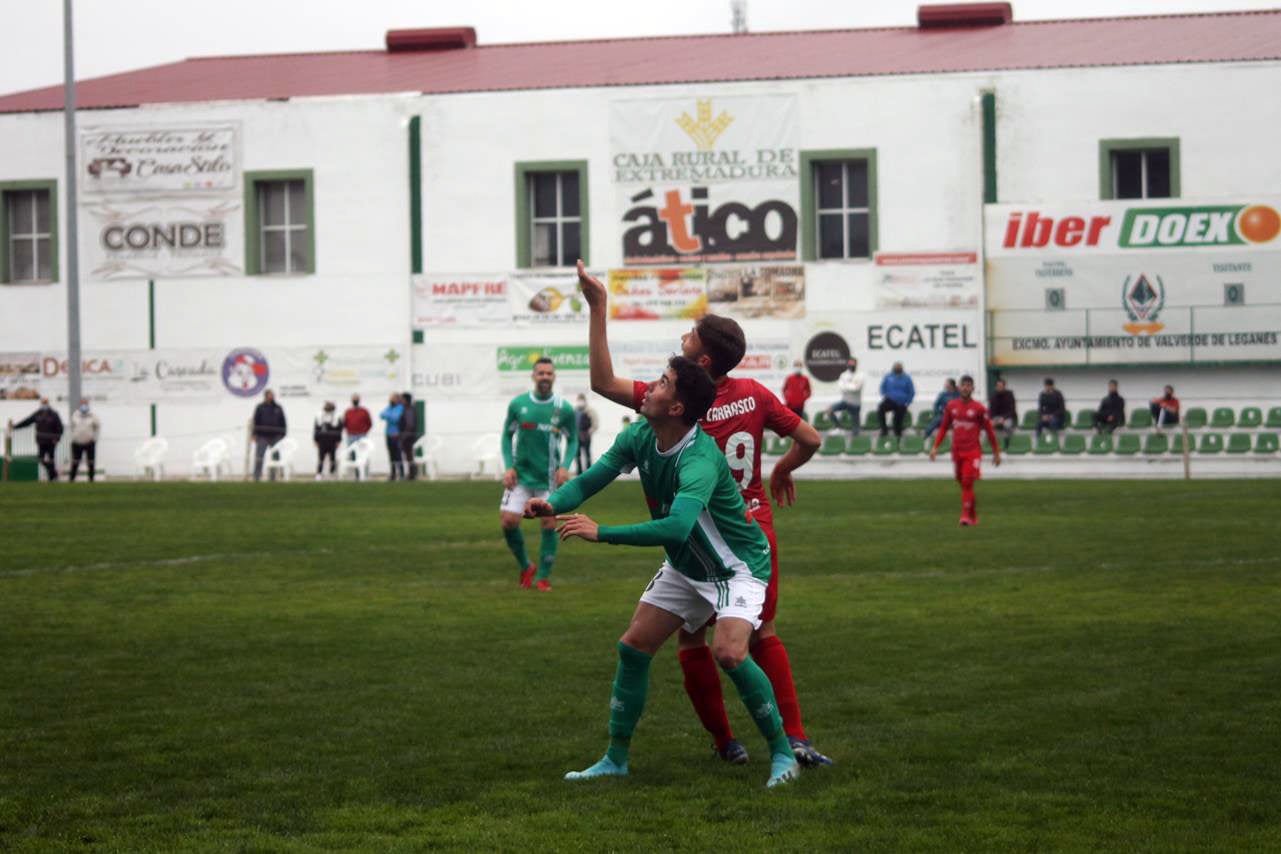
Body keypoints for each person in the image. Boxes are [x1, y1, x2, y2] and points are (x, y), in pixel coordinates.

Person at [577, 260, 830, 769]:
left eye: (692, 335)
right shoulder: (754, 395)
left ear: (704, 359)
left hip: (703, 533)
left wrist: (599, 308)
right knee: (764, 633)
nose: (685, 337)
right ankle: (794, 739)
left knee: (693, 636)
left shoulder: (673, 399)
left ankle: (726, 743)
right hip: (753, 523)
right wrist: (781, 470)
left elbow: (603, 381)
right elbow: (810, 438)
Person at [525, 357, 801, 789]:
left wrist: (603, 533)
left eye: (663, 383)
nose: (650, 387)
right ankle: (615, 758)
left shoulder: (699, 459)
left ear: (676, 409)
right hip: (687, 564)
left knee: (729, 653)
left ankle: (784, 753)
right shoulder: (639, 434)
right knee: (634, 648)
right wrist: (554, 503)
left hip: (737, 568)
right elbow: (591, 479)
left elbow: (676, 526)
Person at [500, 357, 578, 592]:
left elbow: (573, 438)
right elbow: (506, 435)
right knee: (508, 521)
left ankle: (543, 577)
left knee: (548, 522)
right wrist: (508, 466)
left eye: (549, 373)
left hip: (549, 479)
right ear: (533, 376)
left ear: (554, 377)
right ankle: (526, 565)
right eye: (540, 373)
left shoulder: (563, 408)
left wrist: (565, 466)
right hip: (521, 476)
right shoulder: (518, 405)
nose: (545, 377)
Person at [930, 374, 1002, 526]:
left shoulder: (979, 409)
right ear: (959, 387)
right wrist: (935, 447)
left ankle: (965, 516)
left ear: (973, 388)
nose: (966, 388)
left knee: (967, 482)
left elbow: (989, 431)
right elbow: (943, 427)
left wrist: (996, 452)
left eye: (969, 385)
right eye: (963, 385)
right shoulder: (951, 406)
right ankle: (973, 515)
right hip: (957, 451)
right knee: (963, 483)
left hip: (973, 451)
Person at [11, 397, 63, 481]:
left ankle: (52, 478)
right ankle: (54, 473)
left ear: (48, 403)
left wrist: (57, 439)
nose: (44, 404)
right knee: (41, 458)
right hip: (41, 441)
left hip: (51, 441)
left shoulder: (54, 414)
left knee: (51, 459)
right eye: (43, 402)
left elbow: (60, 428)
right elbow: (27, 421)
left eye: (45, 402)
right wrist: (15, 427)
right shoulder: (38, 413)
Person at [251, 389, 287, 482]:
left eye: (272, 395)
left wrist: (282, 435)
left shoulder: (278, 408)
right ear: (266, 396)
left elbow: (283, 422)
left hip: (276, 437)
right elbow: (255, 421)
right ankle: (256, 477)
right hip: (262, 436)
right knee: (259, 457)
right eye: (270, 395)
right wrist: (254, 434)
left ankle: (273, 478)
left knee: (274, 458)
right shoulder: (260, 407)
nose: (272, 396)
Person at [825, 358, 864, 435]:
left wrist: (847, 385)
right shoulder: (844, 375)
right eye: (850, 364)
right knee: (829, 410)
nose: (851, 365)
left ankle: (855, 440)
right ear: (847, 365)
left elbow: (857, 388)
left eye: (853, 364)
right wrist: (851, 385)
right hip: (845, 401)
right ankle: (839, 427)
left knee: (856, 430)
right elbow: (841, 387)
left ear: (856, 364)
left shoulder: (860, 375)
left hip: (855, 404)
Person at [877, 362, 915, 438]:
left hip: (902, 403)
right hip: (890, 401)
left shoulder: (907, 378)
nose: (897, 369)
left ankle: (897, 434)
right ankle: (884, 430)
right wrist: (885, 395)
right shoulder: (888, 376)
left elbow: (911, 391)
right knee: (881, 408)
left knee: (897, 421)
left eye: (899, 367)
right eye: (896, 367)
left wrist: (908, 402)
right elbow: (882, 387)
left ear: (902, 369)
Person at [68, 398, 100, 482]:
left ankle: (91, 479)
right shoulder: (75, 415)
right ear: (80, 405)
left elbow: (97, 427)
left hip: (89, 443)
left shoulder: (93, 415)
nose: (84, 405)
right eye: (82, 403)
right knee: (75, 462)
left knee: (90, 462)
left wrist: (94, 438)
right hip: (77, 443)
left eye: (85, 403)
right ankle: (71, 479)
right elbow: (72, 427)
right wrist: (74, 437)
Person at [313, 401, 343, 480]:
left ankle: (332, 473)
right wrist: (315, 440)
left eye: (330, 406)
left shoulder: (337, 416)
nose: (328, 407)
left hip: (332, 441)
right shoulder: (319, 415)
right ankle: (319, 474)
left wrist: (338, 440)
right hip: (322, 440)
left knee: (332, 458)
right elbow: (316, 428)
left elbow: (340, 429)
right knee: (321, 458)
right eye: (327, 405)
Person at [380, 393, 404, 480]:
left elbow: (396, 418)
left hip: (396, 435)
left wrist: (388, 416)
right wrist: (389, 415)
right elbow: (381, 415)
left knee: (398, 455)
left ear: (397, 399)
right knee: (391, 455)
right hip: (388, 435)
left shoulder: (400, 408)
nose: (390, 400)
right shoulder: (389, 407)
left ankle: (401, 474)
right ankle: (393, 474)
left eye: (392, 399)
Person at [988, 378, 1017, 450]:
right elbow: (991, 411)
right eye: (998, 386)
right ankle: (992, 444)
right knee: (988, 425)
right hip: (996, 417)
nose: (999, 388)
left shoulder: (1010, 394)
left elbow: (1012, 410)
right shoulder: (993, 396)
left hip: (1008, 417)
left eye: (1001, 386)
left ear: (1004, 386)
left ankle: (1006, 444)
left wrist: (1003, 418)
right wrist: (993, 420)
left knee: (1007, 425)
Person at [574, 394, 598, 474]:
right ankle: (579, 471)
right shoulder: (575, 410)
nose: (580, 402)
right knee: (577, 455)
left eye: (581, 400)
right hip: (577, 436)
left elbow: (595, 423)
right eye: (579, 400)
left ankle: (589, 471)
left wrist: (589, 432)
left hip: (586, 436)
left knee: (587, 454)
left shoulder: (590, 410)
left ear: (584, 400)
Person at [399, 391, 420, 480]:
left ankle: (412, 474)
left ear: (406, 400)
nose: (400, 400)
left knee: (409, 456)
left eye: (402, 399)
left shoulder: (409, 410)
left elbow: (410, 424)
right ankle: (411, 474)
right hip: (408, 435)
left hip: (408, 436)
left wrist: (404, 436)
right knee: (408, 456)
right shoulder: (406, 409)